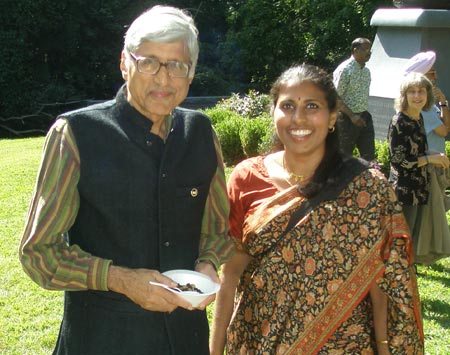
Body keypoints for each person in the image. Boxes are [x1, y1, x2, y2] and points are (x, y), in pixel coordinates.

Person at [19, 5, 233, 355]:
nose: (163, 79)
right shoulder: (76, 134)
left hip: (185, 338)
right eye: (148, 62)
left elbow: (217, 229)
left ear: (191, 73)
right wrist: (122, 280)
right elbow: (39, 254)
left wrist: (207, 262)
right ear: (124, 63)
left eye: (176, 65)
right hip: (101, 338)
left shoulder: (201, 133)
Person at [210, 64, 424, 355]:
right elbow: (230, 273)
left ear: (332, 115)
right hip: (260, 340)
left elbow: (379, 279)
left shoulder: (366, 187)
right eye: (287, 106)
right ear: (273, 113)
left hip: (345, 344)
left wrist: (385, 347)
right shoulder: (246, 177)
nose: (299, 118)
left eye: (312, 106)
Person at [388, 71, 450, 264]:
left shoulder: (418, 118)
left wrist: (432, 154)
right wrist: (430, 159)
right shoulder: (400, 121)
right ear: (404, 96)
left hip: (420, 189)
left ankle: (407, 284)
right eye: (412, 92)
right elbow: (400, 162)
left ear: (428, 94)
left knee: (411, 246)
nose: (417, 96)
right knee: (400, 245)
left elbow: (417, 149)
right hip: (404, 193)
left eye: (421, 91)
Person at [333, 37, 376, 163]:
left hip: (363, 117)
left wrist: (359, 116)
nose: (369, 53)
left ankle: (368, 180)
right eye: (366, 49)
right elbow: (335, 96)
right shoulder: (345, 69)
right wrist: (352, 116)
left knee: (369, 157)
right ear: (355, 50)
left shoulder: (366, 71)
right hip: (346, 119)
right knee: (343, 158)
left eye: (370, 50)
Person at [403, 51, 450, 154]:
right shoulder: (422, 108)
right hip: (430, 164)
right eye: (432, 73)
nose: (435, 77)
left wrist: (443, 102)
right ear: (421, 77)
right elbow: (445, 131)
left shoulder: (426, 104)